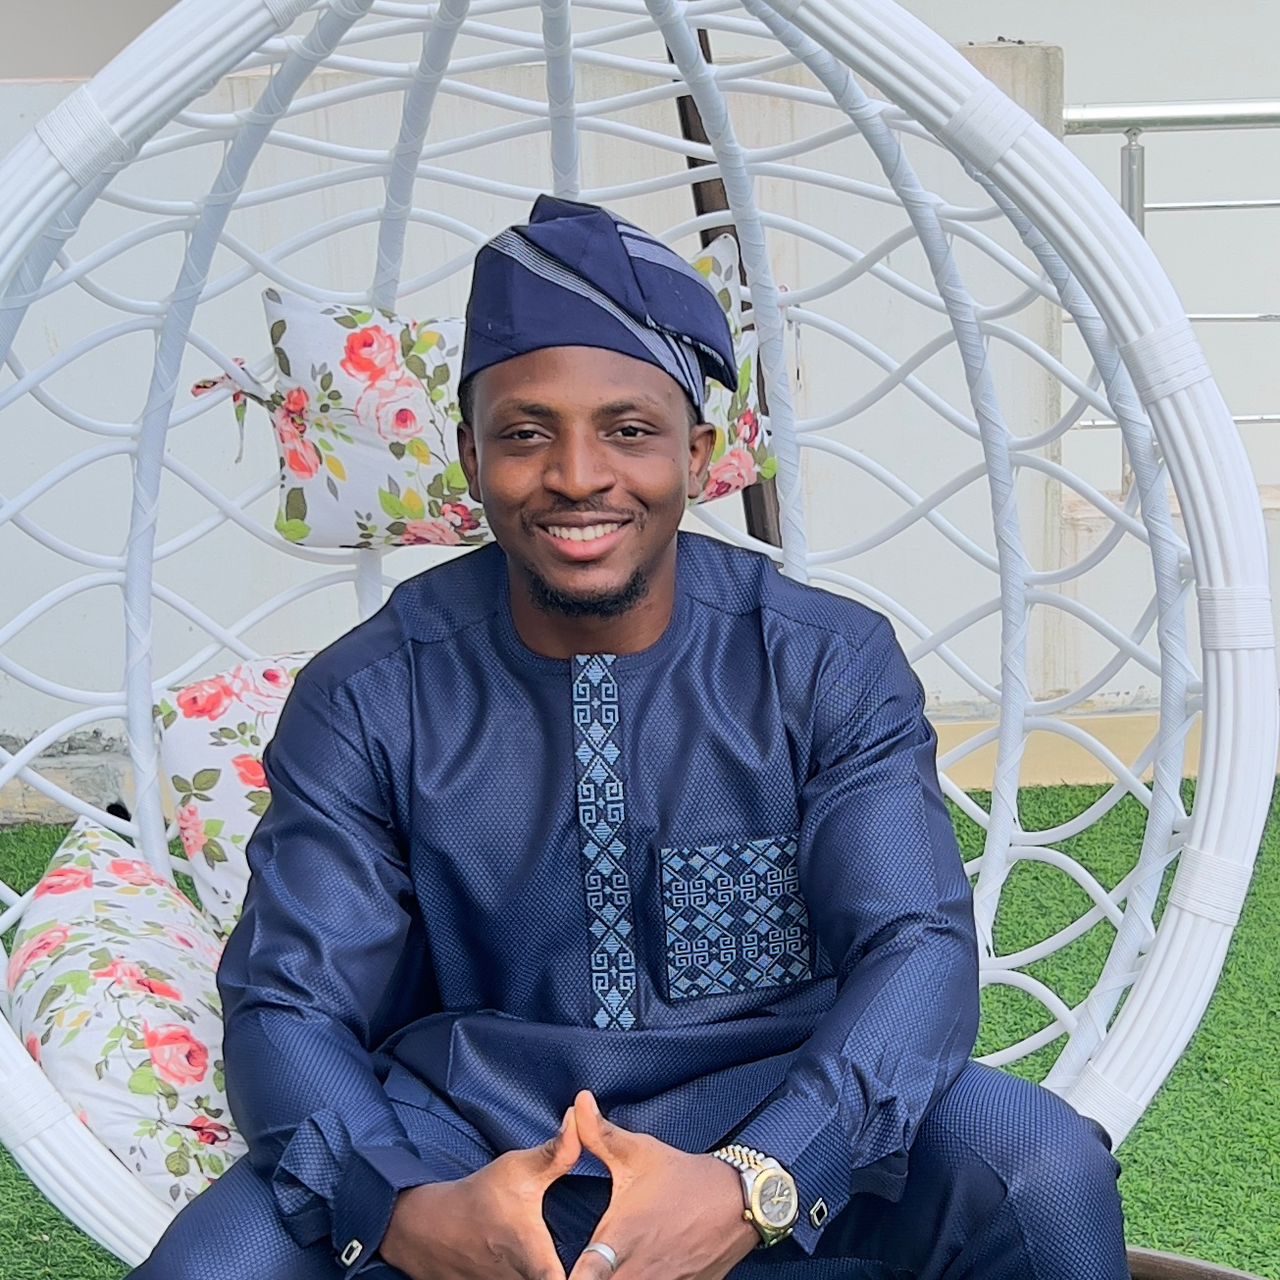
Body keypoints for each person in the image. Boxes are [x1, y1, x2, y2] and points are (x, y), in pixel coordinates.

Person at [129, 196, 1127, 1280]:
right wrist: (406, 1207)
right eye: (525, 433)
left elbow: (916, 947)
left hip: (775, 1114)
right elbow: (291, 999)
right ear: (470, 455)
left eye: (629, 430)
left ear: (695, 453)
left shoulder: (821, 662)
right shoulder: (367, 695)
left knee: (1036, 1165)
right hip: (464, 1141)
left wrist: (758, 1177)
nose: (577, 474)